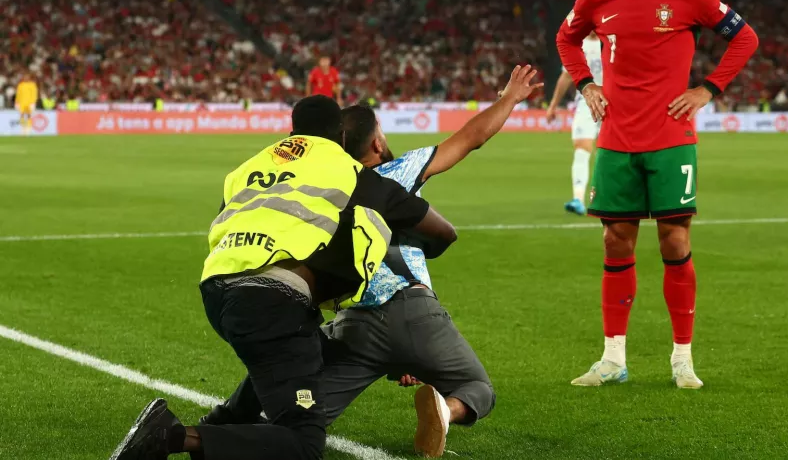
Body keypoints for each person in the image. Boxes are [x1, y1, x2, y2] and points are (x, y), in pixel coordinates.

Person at [200, 66, 543, 458]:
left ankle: (223, 428)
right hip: (412, 310)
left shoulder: (315, 186)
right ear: (376, 143)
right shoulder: (390, 176)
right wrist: (509, 98)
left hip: (350, 322)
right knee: (478, 389)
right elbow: (469, 139)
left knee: (300, 413)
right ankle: (446, 413)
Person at [109, 96, 458, 460]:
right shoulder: (353, 174)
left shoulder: (249, 167)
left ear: (292, 132)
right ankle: (174, 437)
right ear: (341, 136)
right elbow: (444, 232)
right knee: (304, 445)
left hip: (217, 290)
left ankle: (223, 420)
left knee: (322, 351)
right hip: (272, 302)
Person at [555, 0, 758, 389]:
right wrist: (586, 84)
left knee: (675, 240)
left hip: (670, 137)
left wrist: (707, 89)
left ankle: (682, 358)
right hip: (617, 137)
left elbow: (745, 37)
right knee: (614, 239)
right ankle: (613, 359)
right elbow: (565, 39)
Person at [547, 32, 603, 215]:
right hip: (586, 102)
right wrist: (553, 106)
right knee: (582, 148)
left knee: (614, 151)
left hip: (614, 102)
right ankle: (578, 198)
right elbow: (566, 77)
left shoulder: (613, 39)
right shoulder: (579, 45)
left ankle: (613, 198)